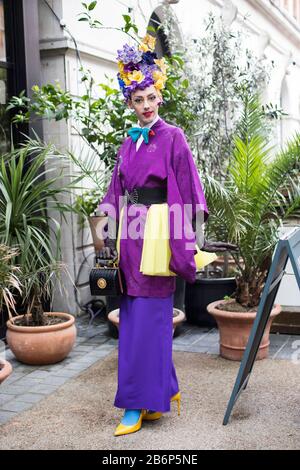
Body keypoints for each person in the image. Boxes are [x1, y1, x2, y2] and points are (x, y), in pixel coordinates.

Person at [98, 35, 237, 437]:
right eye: (138, 99)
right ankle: (158, 396)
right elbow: (115, 189)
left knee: (151, 322)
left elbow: (191, 188)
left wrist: (192, 239)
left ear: (159, 97)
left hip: (160, 234)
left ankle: (137, 405)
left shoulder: (174, 136)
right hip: (131, 234)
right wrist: (107, 229)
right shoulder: (128, 140)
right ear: (130, 102)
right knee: (135, 319)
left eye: (150, 98)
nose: (145, 105)